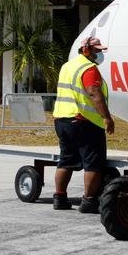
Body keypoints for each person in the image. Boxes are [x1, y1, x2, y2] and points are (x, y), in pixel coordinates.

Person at [51, 36, 116, 213]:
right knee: (93, 163)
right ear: (86, 50)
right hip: (84, 121)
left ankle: (59, 198)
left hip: (62, 120)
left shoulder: (68, 66)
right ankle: (88, 201)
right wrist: (106, 117)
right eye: (97, 51)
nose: (100, 54)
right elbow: (94, 93)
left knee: (66, 159)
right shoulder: (89, 69)